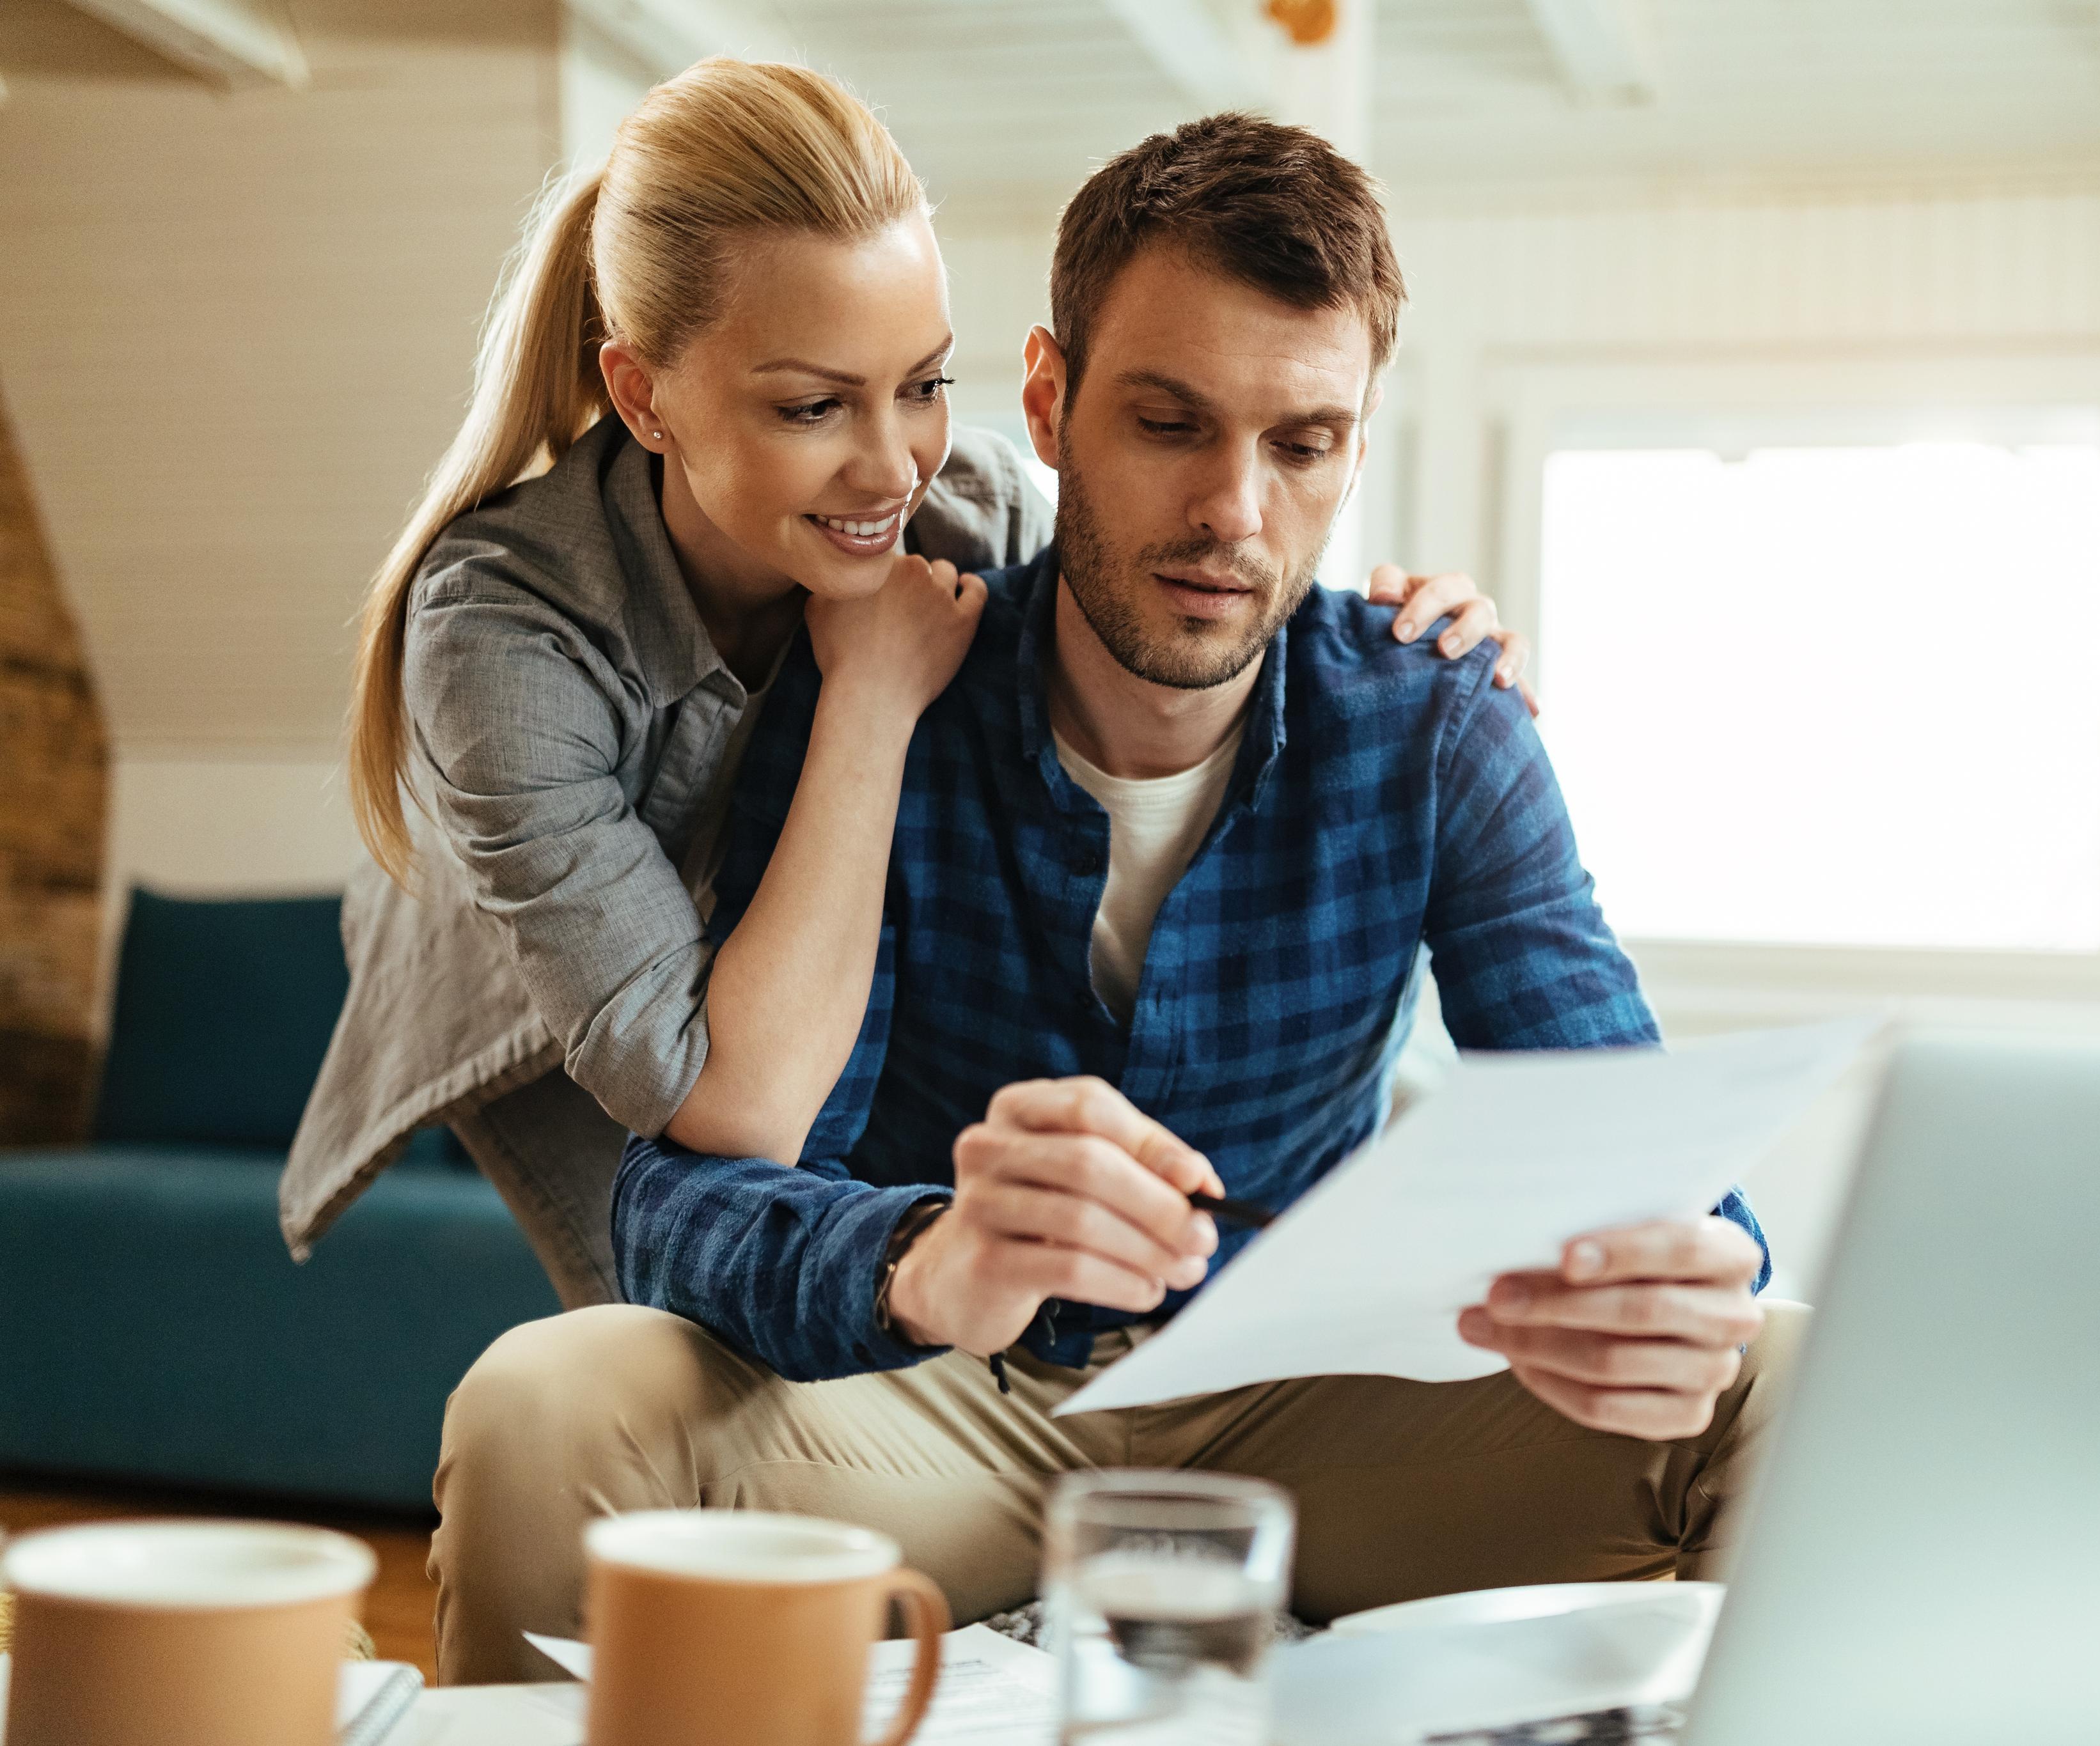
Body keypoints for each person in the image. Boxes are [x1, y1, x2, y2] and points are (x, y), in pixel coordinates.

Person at [430, 112, 1795, 1688]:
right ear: (1049, 402)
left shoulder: (1437, 729)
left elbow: (1630, 1140)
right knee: (541, 1403)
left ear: (1356, 446)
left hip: (1302, 1400)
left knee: (1783, 1371)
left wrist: (1692, 1269)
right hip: (944, 1395)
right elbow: (687, 1194)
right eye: (1169, 423)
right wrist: (923, 1259)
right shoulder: (880, 678)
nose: (1233, 511)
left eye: (1300, 444)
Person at [281, 60, 1526, 1306]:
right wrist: (871, 694)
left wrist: (1406, 660)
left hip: (805, 953)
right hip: (560, 1023)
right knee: (678, 1326)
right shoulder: (503, 638)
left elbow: (1151, 650)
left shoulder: (963, 512)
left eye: (922, 383)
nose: (892, 470)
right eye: (816, 405)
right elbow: (740, 1105)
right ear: (643, 396)